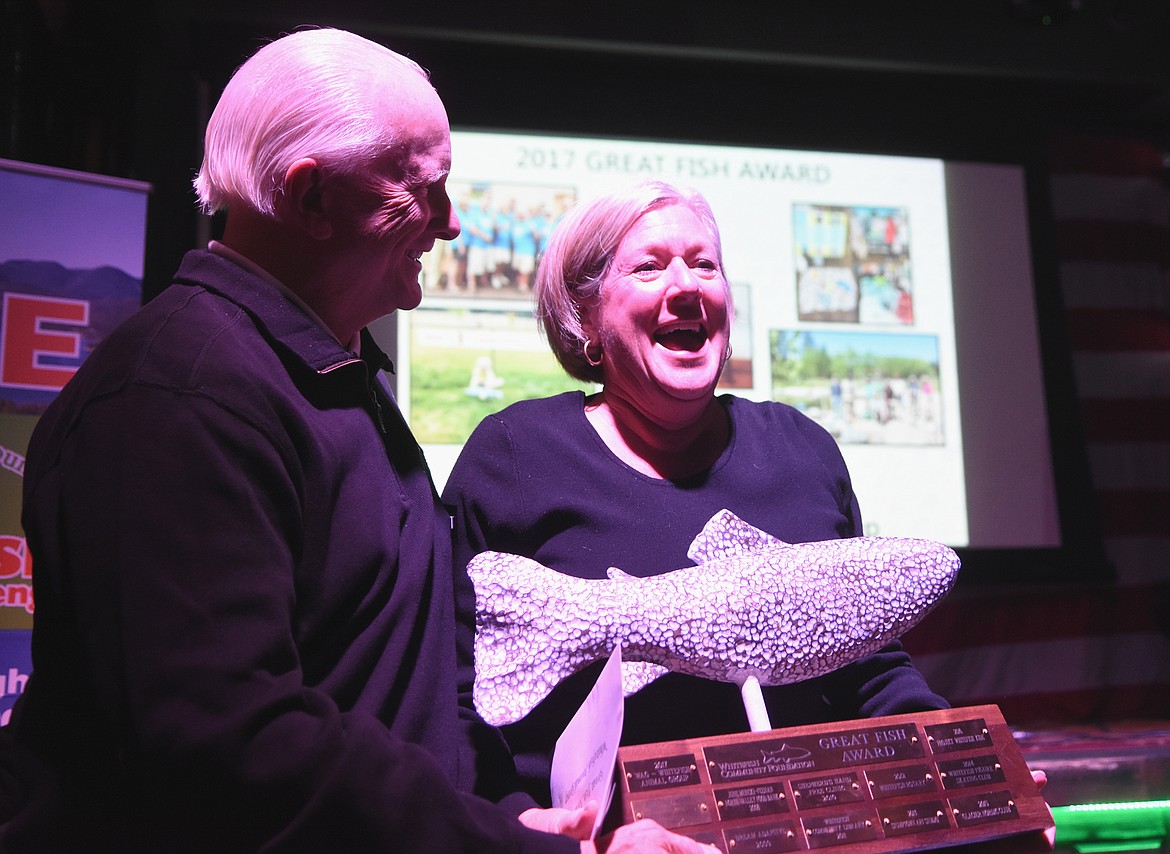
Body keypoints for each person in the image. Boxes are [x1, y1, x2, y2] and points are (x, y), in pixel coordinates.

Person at [0, 31, 713, 854]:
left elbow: (394, 679)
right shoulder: (177, 401)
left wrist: (501, 817)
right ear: (311, 200)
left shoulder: (328, 371)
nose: (450, 224)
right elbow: (235, 749)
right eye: (428, 191)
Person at [443, 180, 951, 806]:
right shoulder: (516, 453)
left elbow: (869, 668)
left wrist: (961, 772)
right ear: (585, 321)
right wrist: (521, 831)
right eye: (650, 267)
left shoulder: (801, 448)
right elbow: (457, 697)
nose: (688, 286)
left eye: (705, 264)